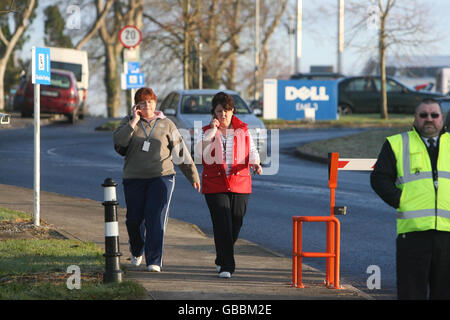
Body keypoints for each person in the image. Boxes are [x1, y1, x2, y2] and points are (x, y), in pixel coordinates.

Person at [113, 87, 200, 272]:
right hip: (134, 178)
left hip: (162, 177)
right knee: (134, 220)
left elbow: (181, 151)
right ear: (136, 106)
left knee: (155, 217)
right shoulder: (128, 122)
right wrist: (134, 121)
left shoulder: (167, 124)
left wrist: (192, 174)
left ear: (156, 103)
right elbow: (118, 143)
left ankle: (154, 260)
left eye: (151, 102)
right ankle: (137, 250)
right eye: (143, 103)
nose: (148, 106)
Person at [370, 98, 450, 299]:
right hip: (412, 236)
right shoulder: (397, 143)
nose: (429, 119)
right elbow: (379, 178)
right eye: (423, 115)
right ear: (415, 118)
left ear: (442, 118)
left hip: (448, 236)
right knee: (411, 293)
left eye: (434, 115)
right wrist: (402, 200)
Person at [197, 91, 262, 279]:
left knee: (236, 222)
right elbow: (201, 151)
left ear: (232, 111)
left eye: (226, 110)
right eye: (219, 111)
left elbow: (252, 149)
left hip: (240, 182)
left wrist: (255, 163)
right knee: (222, 224)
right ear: (214, 113)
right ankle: (227, 266)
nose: (223, 114)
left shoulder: (242, 129)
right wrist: (213, 130)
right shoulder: (206, 131)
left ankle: (221, 257)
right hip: (215, 184)